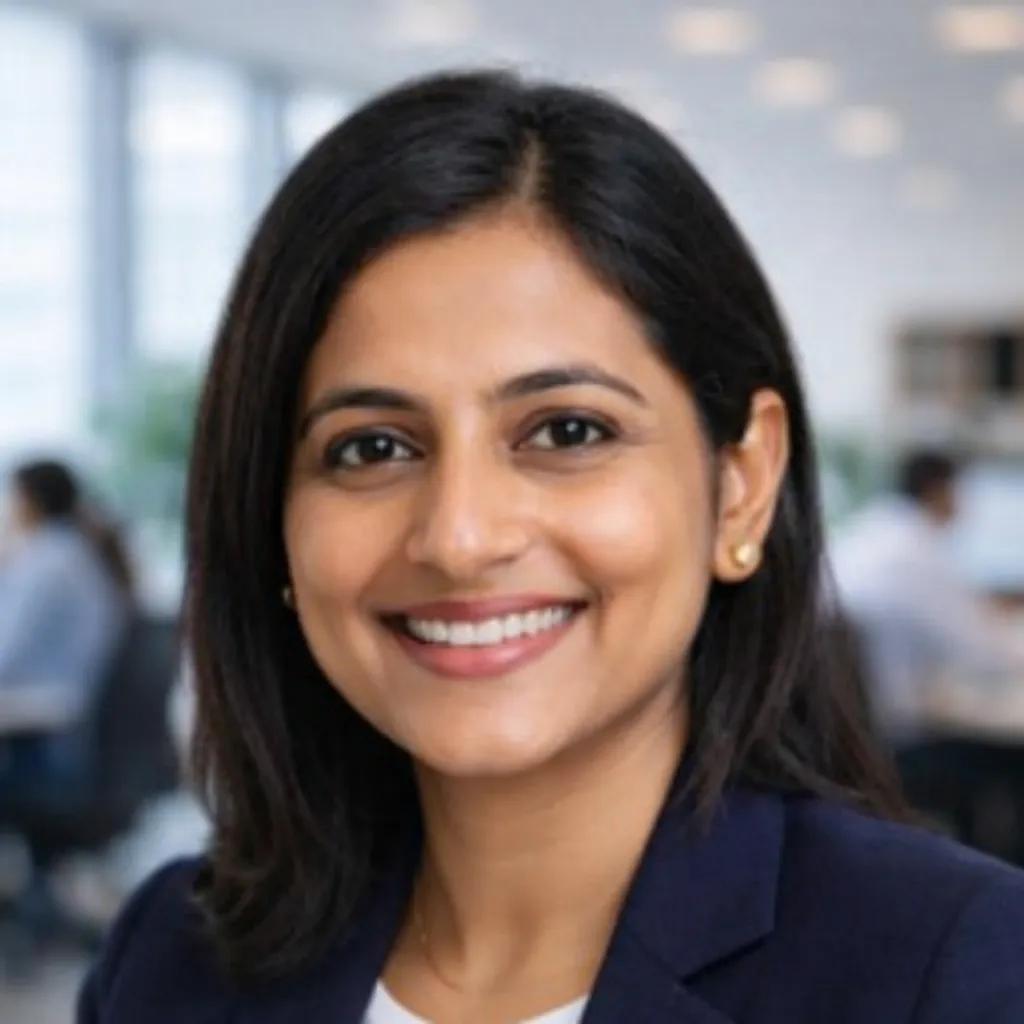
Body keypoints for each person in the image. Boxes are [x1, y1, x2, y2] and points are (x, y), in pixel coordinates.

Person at [77, 71, 1024, 1024]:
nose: (459, 536)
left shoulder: (953, 971)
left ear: (741, 487)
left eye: (568, 432)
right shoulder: (170, 958)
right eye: (371, 448)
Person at [830, 448, 1024, 744]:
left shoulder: (868, 529)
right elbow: (982, 650)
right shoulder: (917, 553)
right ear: (940, 490)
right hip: (903, 737)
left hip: (852, 734)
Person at [0, 459, 132, 757]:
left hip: (49, 729)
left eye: (11, 497)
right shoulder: (70, 552)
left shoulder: (48, 562)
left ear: (29, 502)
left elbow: (7, 653)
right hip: (63, 717)